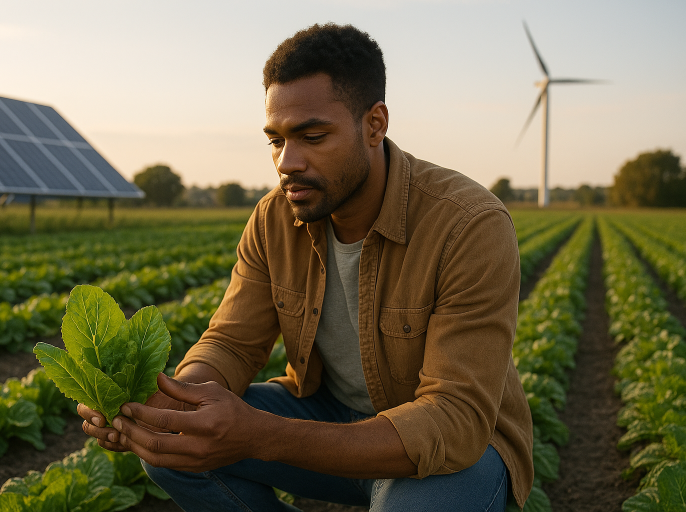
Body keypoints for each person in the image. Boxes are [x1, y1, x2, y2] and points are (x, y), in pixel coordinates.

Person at [79, 23, 534, 511]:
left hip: (453, 448)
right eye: (275, 140)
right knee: (173, 447)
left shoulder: (468, 224)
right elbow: (232, 342)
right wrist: (174, 401)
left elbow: (454, 419)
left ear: (375, 124)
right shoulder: (274, 218)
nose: (286, 162)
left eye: (312, 136)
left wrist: (262, 437)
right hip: (329, 416)